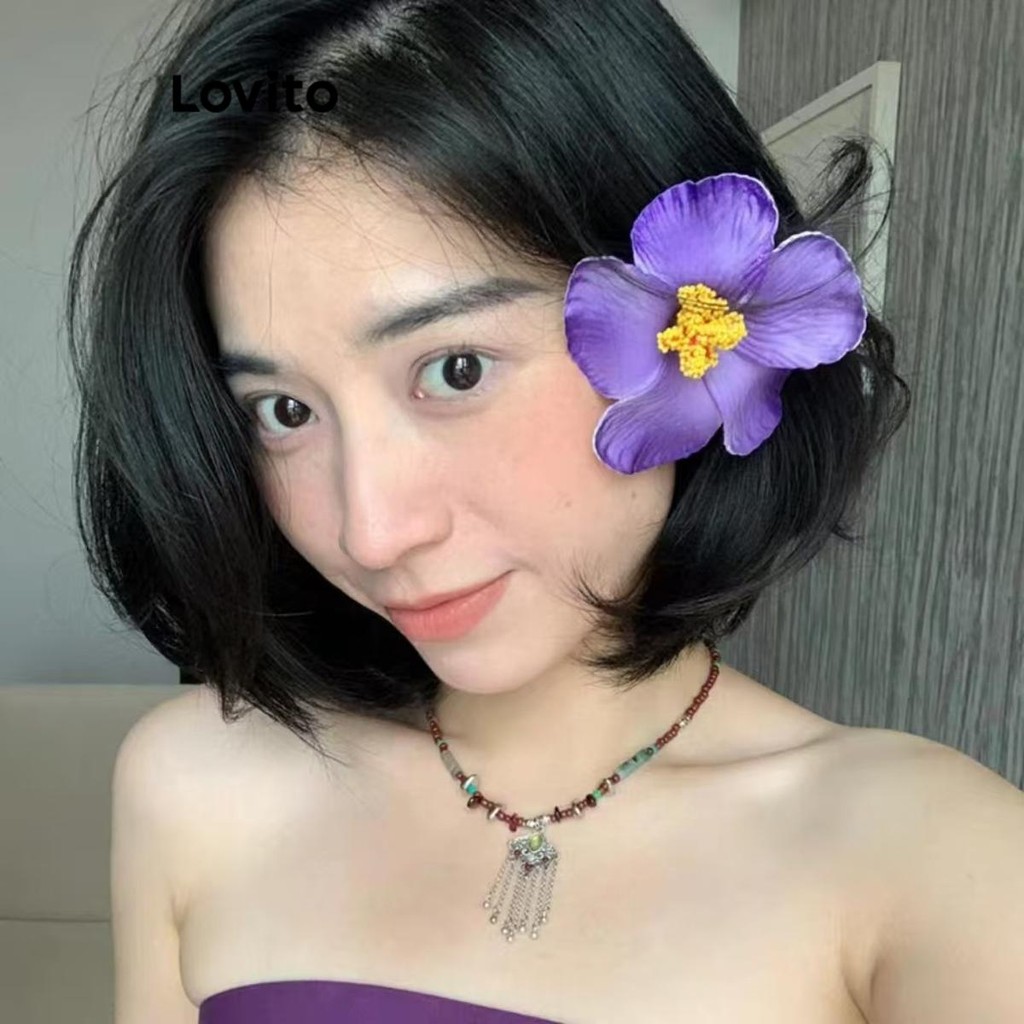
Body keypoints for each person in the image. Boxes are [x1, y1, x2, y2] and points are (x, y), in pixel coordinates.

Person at [65, 0, 1024, 1021]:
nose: (370, 531)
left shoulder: (936, 862)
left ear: (693, 337)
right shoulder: (192, 782)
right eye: (283, 411)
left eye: (456, 368)